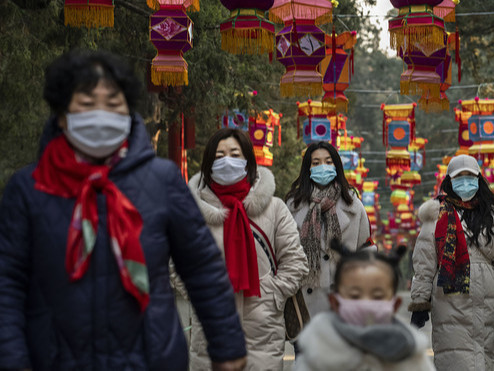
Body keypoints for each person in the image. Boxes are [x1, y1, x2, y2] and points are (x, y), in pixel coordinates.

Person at [0, 50, 247, 371]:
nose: (101, 114)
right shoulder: (28, 187)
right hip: (54, 357)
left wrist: (227, 346)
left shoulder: (162, 180)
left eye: (113, 104)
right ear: (62, 115)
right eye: (87, 104)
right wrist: (11, 359)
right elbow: (7, 284)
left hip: (150, 356)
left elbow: (202, 269)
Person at [185, 128, 309, 370]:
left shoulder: (274, 208)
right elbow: (176, 263)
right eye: (219, 156)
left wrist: (271, 293)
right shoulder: (193, 211)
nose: (227, 161)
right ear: (209, 163)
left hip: (262, 327)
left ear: (248, 161)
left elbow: (295, 262)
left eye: (234, 154)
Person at [295, 240, 435, 371]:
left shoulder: (411, 356)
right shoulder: (316, 355)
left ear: (395, 304)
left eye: (377, 297)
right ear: (335, 302)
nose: (366, 303)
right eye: (355, 296)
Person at [409, 154, 494, 371]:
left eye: (470, 176)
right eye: (459, 177)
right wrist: (420, 302)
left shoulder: (491, 214)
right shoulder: (437, 215)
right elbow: (424, 263)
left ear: (479, 179)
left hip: (489, 303)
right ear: (449, 181)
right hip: (451, 304)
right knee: (457, 361)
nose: (465, 182)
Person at [285, 141, 373, 318]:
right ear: (307, 168)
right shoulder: (293, 206)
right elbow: (283, 253)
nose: (322, 167)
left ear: (336, 166)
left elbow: (366, 251)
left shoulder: (353, 206)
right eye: (316, 163)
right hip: (303, 305)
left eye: (328, 161)